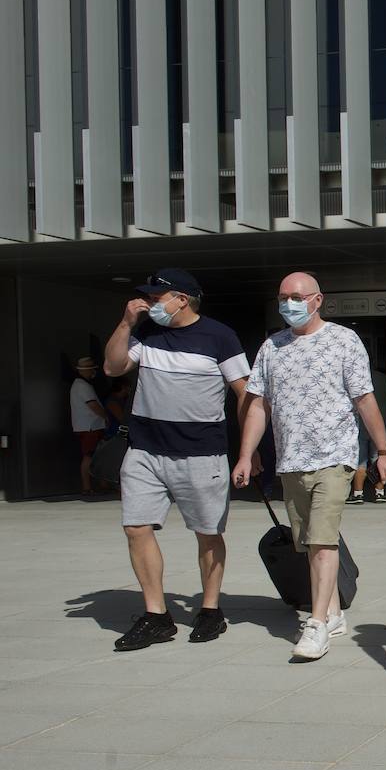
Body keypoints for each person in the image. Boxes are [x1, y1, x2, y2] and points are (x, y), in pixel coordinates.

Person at [232, 272, 386, 661]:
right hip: (291, 461)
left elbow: (364, 398)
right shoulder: (272, 347)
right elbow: (257, 405)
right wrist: (244, 454)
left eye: (297, 296)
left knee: (322, 539)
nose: (289, 303)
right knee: (307, 542)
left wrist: (382, 450)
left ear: (318, 300)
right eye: (283, 296)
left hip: (334, 457)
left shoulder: (343, 340)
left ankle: (317, 624)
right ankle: (334, 612)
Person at [102, 268, 253, 650]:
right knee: (136, 527)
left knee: (207, 533)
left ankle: (210, 608)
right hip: (144, 449)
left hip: (201, 452)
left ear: (181, 300)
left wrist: (249, 452)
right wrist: (125, 322)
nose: (149, 303)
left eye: (156, 298)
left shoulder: (220, 336)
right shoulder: (146, 332)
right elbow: (112, 367)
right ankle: (156, 616)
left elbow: (244, 394)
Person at [348, 367, 386, 504]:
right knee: (378, 458)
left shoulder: (355, 375)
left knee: (361, 460)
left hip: (359, 424)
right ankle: (379, 493)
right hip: (379, 425)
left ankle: (358, 494)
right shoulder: (383, 378)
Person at [70, 356, 109, 495]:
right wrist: (106, 416)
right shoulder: (83, 386)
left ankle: (100, 484)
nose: (93, 372)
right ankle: (87, 487)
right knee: (89, 455)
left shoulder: (80, 385)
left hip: (88, 426)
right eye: (91, 369)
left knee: (94, 455)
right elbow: (93, 405)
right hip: (90, 427)